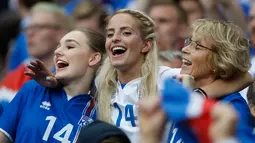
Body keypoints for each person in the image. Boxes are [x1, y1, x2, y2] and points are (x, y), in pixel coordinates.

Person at [26, 9, 254, 143]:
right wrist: (55, 81)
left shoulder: (166, 80)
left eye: (126, 33)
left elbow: (245, 76)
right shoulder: (100, 81)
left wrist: (199, 95)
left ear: (146, 45)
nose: (185, 49)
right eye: (110, 34)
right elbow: (74, 75)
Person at [0, 28, 106, 143]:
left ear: (94, 58)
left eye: (70, 47)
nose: (57, 52)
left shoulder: (102, 112)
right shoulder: (33, 89)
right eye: (58, 46)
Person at [168, 19, 254, 142]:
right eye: (189, 42)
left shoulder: (232, 108)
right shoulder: (185, 97)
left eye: (197, 46)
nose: (184, 49)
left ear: (221, 60)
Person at [0, 2, 71, 112]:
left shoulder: (73, 77)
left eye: (38, 27)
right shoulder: (19, 73)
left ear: (61, 33)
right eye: (27, 28)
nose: (30, 33)